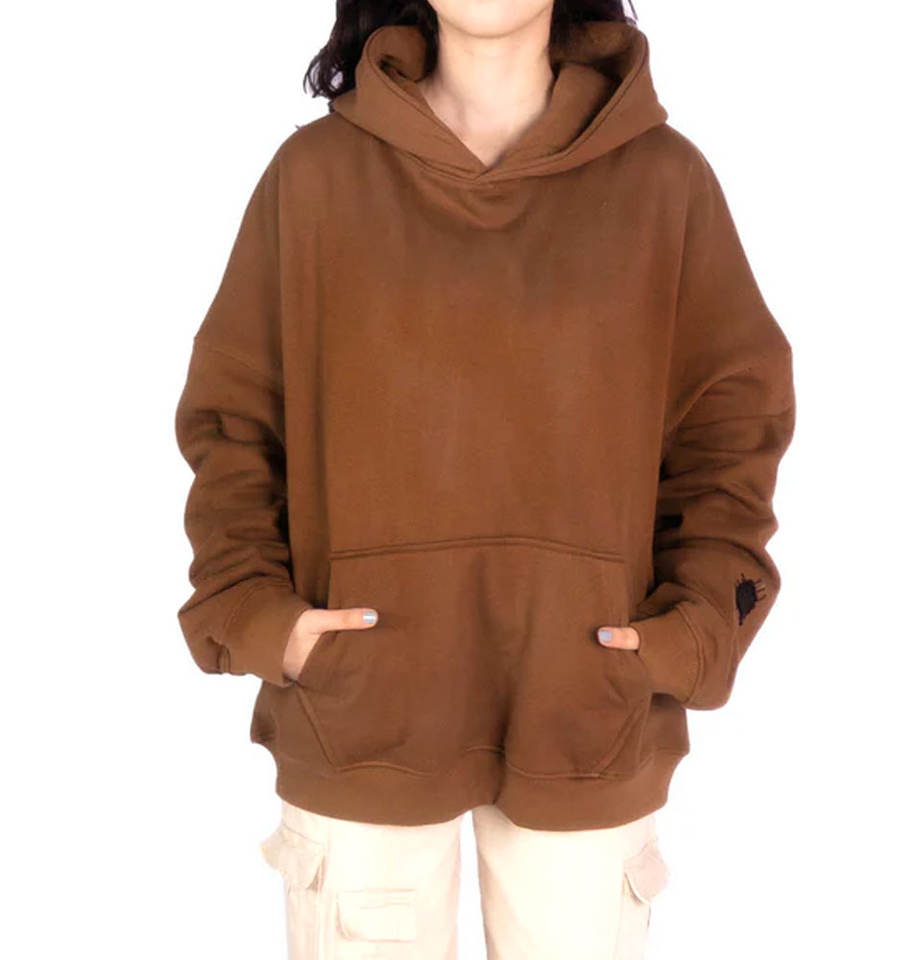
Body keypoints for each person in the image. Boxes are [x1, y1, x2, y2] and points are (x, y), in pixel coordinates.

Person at [173, 0, 796, 955]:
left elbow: (730, 432)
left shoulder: (664, 181)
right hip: (358, 713)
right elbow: (233, 426)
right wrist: (262, 619)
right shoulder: (315, 177)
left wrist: (692, 634)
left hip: (587, 709)